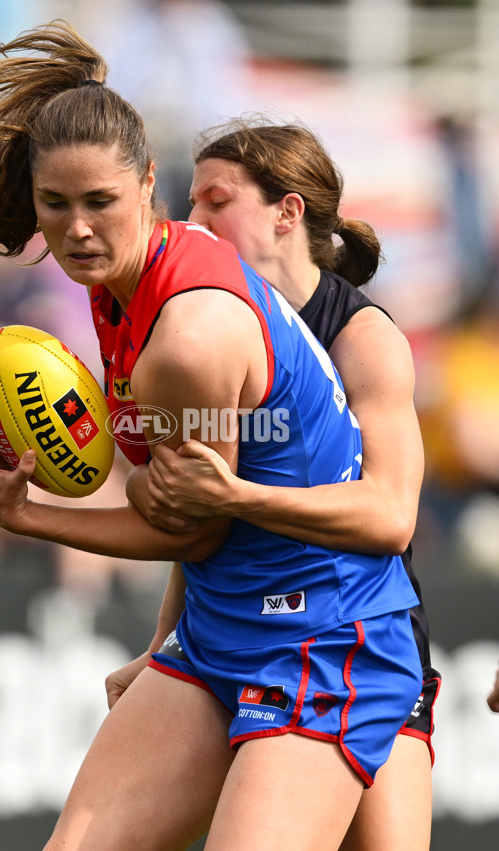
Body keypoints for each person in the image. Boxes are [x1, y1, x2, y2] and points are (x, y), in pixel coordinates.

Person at [0, 22, 423, 850]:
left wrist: (28, 515)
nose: (76, 230)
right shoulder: (121, 288)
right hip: (222, 631)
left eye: (100, 202)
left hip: (324, 640)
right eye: (56, 204)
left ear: (147, 183)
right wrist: (162, 643)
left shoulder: (188, 336)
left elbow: (196, 522)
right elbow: (196, 518)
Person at [112, 119, 440, 850]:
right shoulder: (217, 325)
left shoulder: (365, 339)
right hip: (241, 636)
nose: (192, 221)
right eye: (187, 202)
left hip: (360, 641)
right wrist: (164, 646)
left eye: (215, 201)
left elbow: (391, 516)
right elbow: (203, 520)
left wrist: (235, 496)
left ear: (287, 212)